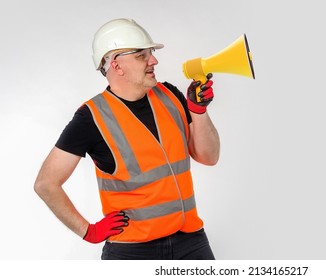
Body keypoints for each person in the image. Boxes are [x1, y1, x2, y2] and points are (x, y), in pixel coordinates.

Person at [34, 18, 220, 260]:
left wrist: (198, 111)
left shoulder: (170, 95)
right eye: (141, 55)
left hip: (191, 240)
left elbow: (209, 156)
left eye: (150, 53)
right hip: (132, 251)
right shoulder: (92, 118)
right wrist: (88, 231)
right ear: (116, 66)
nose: (154, 60)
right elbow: (46, 183)